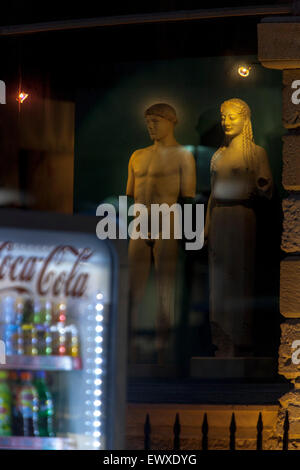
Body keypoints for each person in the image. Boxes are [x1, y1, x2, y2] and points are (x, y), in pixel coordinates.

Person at [126, 103, 196, 364]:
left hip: (168, 219)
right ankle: (132, 344)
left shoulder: (182, 156)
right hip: (140, 220)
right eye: (149, 122)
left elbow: (187, 194)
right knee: (134, 288)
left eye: (156, 121)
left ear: (171, 122)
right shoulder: (137, 156)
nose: (151, 126)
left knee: (166, 288)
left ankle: (163, 347)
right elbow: (131, 192)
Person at [205, 98, 273, 357]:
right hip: (220, 216)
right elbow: (212, 194)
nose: (226, 122)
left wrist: (257, 186)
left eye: (232, 116)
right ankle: (221, 338)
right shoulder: (218, 155)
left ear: (246, 120)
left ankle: (238, 338)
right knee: (219, 281)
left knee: (239, 276)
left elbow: (266, 188)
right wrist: (206, 226)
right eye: (223, 117)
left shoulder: (255, 153)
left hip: (241, 216)